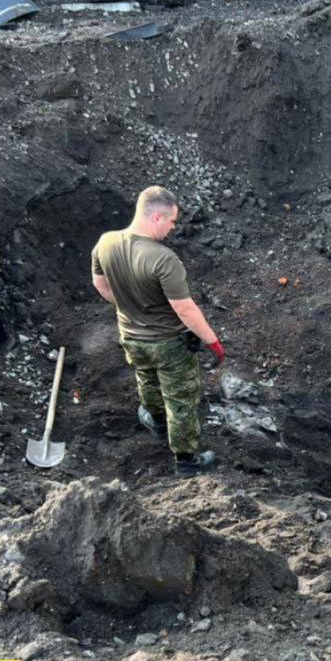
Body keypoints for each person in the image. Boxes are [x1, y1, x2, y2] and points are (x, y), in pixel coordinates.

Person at [91, 186, 224, 477]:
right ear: (155, 217)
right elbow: (184, 309)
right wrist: (211, 341)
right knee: (181, 399)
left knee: (147, 379)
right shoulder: (163, 259)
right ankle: (187, 459)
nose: (173, 228)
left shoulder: (105, 242)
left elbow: (101, 285)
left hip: (130, 336)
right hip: (168, 344)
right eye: (171, 221)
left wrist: (129, 305)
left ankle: (155, 420)